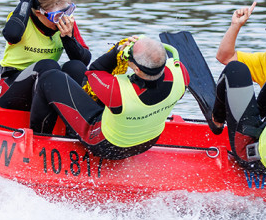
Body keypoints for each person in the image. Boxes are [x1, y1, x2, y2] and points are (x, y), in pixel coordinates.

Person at [29, 36, 189, 160]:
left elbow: (93, 72)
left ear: (138, 70)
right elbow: (156, 57)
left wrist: (116, 51)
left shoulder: (117, 91)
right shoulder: (181, 73)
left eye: (129, 56)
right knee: (75, 68)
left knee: (50, 78)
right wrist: (141, 48)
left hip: (106, 145)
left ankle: (38, 143)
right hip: (146, 142)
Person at [0, 0, 90, 110]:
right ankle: (39, 128)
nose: (62, 19)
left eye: (67, 11)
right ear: (39, 12)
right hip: (11, 87)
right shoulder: (21, 20)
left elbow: (83, 61)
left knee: (75, 67)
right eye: (56, 16)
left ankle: (81, 121)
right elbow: (12, 35)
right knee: (48, 66)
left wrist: (68, 38)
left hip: (44, 84)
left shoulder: (67, 23)